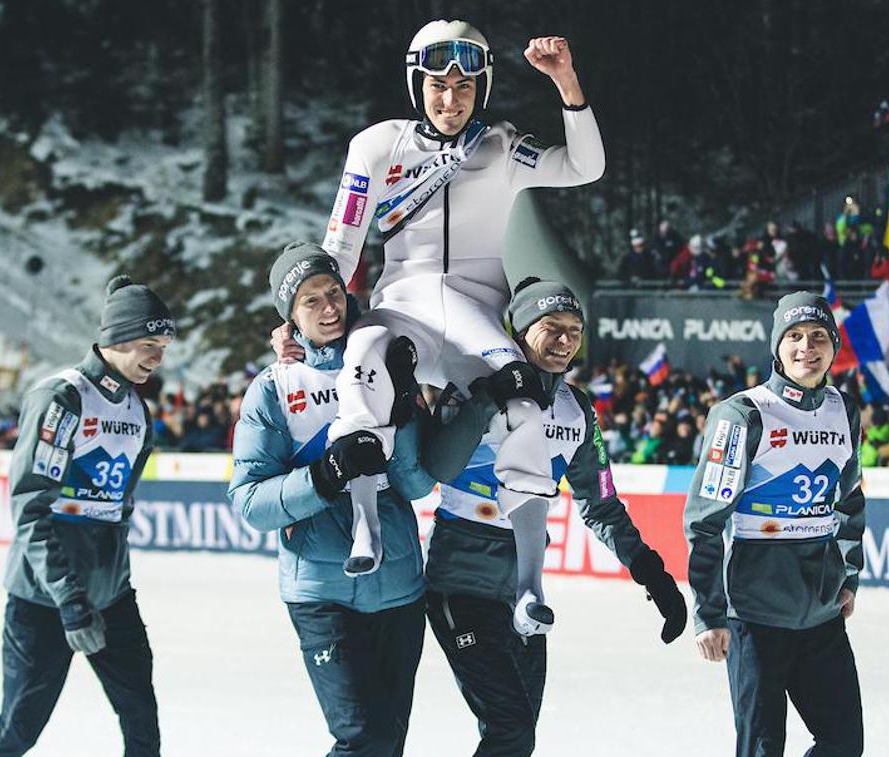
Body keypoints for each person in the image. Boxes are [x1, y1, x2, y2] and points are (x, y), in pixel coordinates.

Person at [277, 20, 604, 635]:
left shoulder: (502, 145)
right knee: (364, 356)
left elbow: (585, 166)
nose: (450, 100)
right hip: (403, 304)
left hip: (476, 313)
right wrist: (297, 320)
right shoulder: (376, 147)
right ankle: (365, 523)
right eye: (437, 86)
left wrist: (566, 82)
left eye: (464, 87)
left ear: (481, 89)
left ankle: (530, 584)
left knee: (525, 406)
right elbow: (340, 248)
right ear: (415, 84)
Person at [421, 278, 687, 755]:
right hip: (459, 586)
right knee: (510, 731)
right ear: (520, 331)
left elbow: (601, 505)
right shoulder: (469, 388)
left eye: (575, 330)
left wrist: (653, 574)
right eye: (552, 327)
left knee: (518, 736)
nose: (565, 341)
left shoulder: (577, 409)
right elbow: (437, 466)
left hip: (524, 593)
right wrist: (485, 400)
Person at [229, 242, 434, 756]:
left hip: (400, 585)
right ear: (289, 317)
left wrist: (406, 405)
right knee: (358, 738)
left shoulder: (387, 360)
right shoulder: (273, 388)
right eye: (310, 301)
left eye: (333, 293)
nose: (328, 308)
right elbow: (251, 502)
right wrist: (326, 475)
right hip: (320, 590)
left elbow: (414, 485)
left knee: (386, 743)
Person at [0, 275, 175, 756]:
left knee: (142, 722)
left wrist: (113, 586)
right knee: (18, 730)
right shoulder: (63, 397)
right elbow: (30, 508)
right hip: (46, 598)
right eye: (149, 344)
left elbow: (117, 512)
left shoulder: (137, 410)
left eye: (163, 346)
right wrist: (69, 599)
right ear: (117, 338)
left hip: (112, 596)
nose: (158, 357)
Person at [684, 291, 866, 757]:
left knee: (843, 744)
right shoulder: (743, 414)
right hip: (755, 617)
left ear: (834, 347)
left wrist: (849, 575)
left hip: (822, 613)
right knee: (763, 750)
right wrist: (709, 611)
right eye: (795, 336)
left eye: (820, 336)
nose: (808, 346)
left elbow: (849, 500)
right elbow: (705, 522)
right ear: (777, 347)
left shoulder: (845, 411)